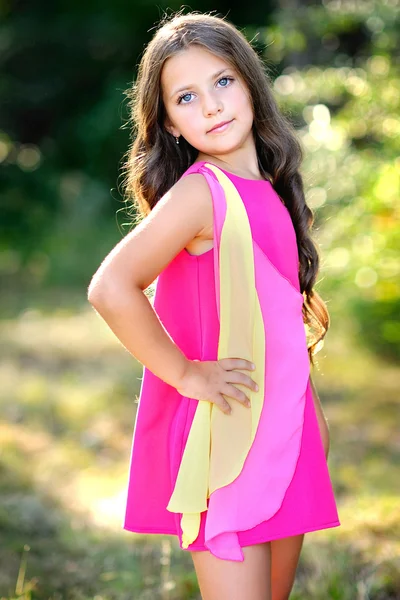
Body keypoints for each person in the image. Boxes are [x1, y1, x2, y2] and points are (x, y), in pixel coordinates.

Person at [87, 10, 341, 600]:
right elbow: (111, 286)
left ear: (250, 83)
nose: (212, 105)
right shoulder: (202, 193)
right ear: (170, 124)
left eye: (223, 81)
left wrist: (314, 418)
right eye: (186, 97)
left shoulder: (271, 190)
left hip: (286, 435)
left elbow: (276, 317)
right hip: (226, 442)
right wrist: (184, 373)